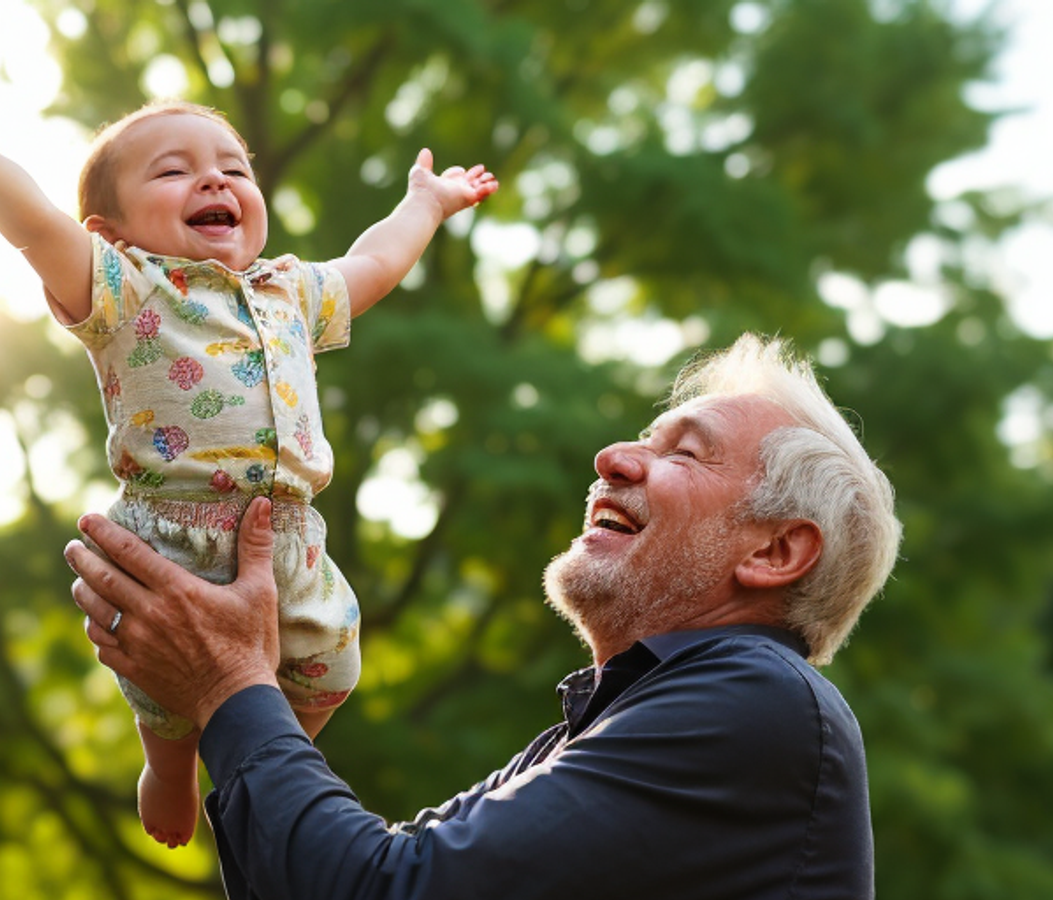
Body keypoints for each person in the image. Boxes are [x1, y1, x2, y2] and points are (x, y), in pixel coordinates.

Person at [0, 62, 498, 848]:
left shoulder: (287, 293)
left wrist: (424, 205)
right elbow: (33, 224)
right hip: (175, 534)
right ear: (109, 230)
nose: (213, 180)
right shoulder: (125, 289)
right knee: (164, 690)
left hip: (290, 532)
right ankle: (168, 766)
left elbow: (373, 264)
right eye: (174, 170)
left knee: (333, 666)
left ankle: (267, 768)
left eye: (232, 168)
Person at [65, 333, 902, 899]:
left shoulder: (758, 702)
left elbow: (381, 890)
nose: (613, 457)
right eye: (643, 437)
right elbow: (362, 872)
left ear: (776, 554)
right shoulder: (609, 723)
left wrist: (227, 681)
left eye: (683, 451)